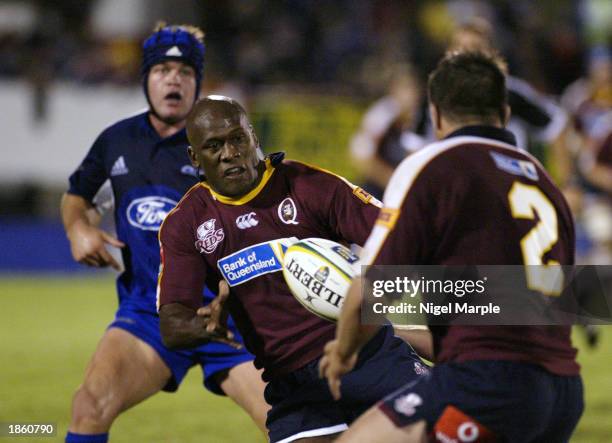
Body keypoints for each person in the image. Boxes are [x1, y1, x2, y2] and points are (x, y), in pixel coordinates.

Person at [320, 51, 583, 442]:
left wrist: (341, 353)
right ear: (506, 113)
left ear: (437, 115)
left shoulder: (434, 164)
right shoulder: (543, 181)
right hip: (562, 392)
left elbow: (373, 289)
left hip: (487, 385)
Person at [156, 95, 429, 443]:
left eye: (237, 139)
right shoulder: (186, 223)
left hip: (371, 358)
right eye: (214, 146)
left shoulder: (308, 184)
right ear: (195, 158)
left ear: (253, 137)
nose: (229, 154)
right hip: (295, 388)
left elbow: (400, 238)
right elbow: (172, 323)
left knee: (445, 429)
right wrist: (204, 324)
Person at [60, 24, 268, 443]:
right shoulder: (117, 140)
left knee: (290, 426)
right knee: (89, 407)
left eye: (184, 71)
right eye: (161, 70)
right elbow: (76, 196)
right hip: (149, 317)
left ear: (198, 82)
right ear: (146, 79)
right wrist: (77, 228)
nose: (173, 78)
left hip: (228, 318)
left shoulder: (227, 142)